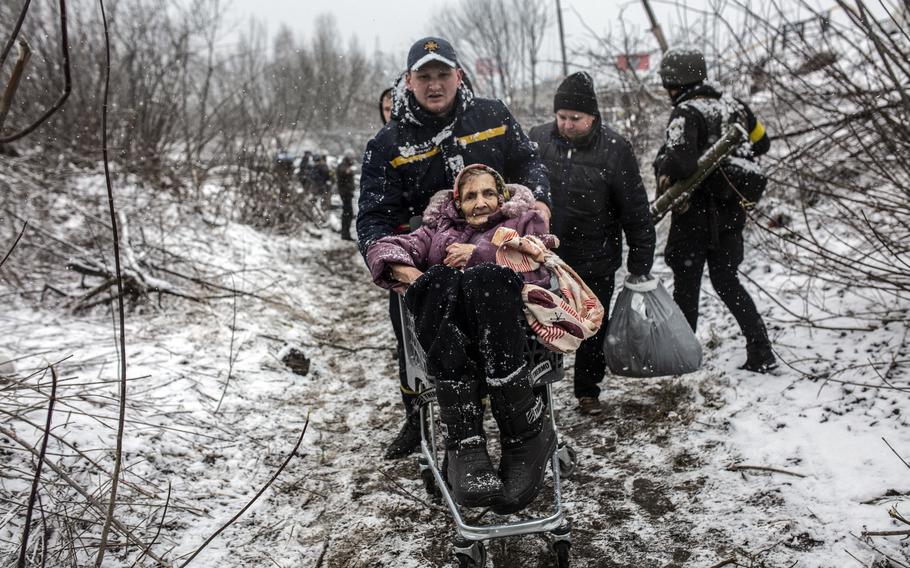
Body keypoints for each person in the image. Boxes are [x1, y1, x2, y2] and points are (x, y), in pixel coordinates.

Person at [358, 36, 551, 459]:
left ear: (458, 75)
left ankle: (526, 431)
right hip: (427, 271)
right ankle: (430, 430)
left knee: (511, 345)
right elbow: (371, 218)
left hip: (503, 261)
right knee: (421, 354)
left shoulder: (493, 116)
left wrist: (538, 201)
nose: (434, 84)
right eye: (423, 76)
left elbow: (529, 163)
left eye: (442, 74)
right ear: (408, 81)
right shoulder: (388, 145)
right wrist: (396, 266)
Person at [366, 164, 556, 512]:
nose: (480, 202)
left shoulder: (522, 222)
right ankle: (465, 441)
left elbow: (541, 257)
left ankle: (523, 436)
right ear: (457, 203)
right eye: (470, 196)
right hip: (455, 343)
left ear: (502, 197)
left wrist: (482, 255)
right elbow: (383, 248)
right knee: (436, 279)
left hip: (509, 339)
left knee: (486, 277)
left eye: (488, 193)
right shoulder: (439, 231)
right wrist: (414, 274)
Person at [529, 71, 655, 416]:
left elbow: (635, 209)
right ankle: (540, 390)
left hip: (596, 254)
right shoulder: (538, 140)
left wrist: (641, 259)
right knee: (543, 321)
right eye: (562, 117)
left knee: (590, 326)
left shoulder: (615, 150)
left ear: (593, 118)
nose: (567, 124)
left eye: (576, 118)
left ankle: (588, 390)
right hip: (546, 255)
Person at [653, 47, 776, 373]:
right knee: (727, 281)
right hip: (731, 213)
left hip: (694, 216)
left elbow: (680, 163)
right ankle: (761, 350)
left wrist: (662, 161)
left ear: (672, 84)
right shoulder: (736, 106)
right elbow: (762, 143)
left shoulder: (685, 112)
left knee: (687, 288)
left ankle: (682, 358)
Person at [336, 150, 356, 241]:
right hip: (345, 193)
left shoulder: (346, 164)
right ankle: (345, 234)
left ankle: (345, 233)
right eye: (352, 157)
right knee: (347, 214)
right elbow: (343, 171)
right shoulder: (343, 165)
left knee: (348, 213)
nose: (353, 159)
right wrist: (349, 170)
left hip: (346, 192)